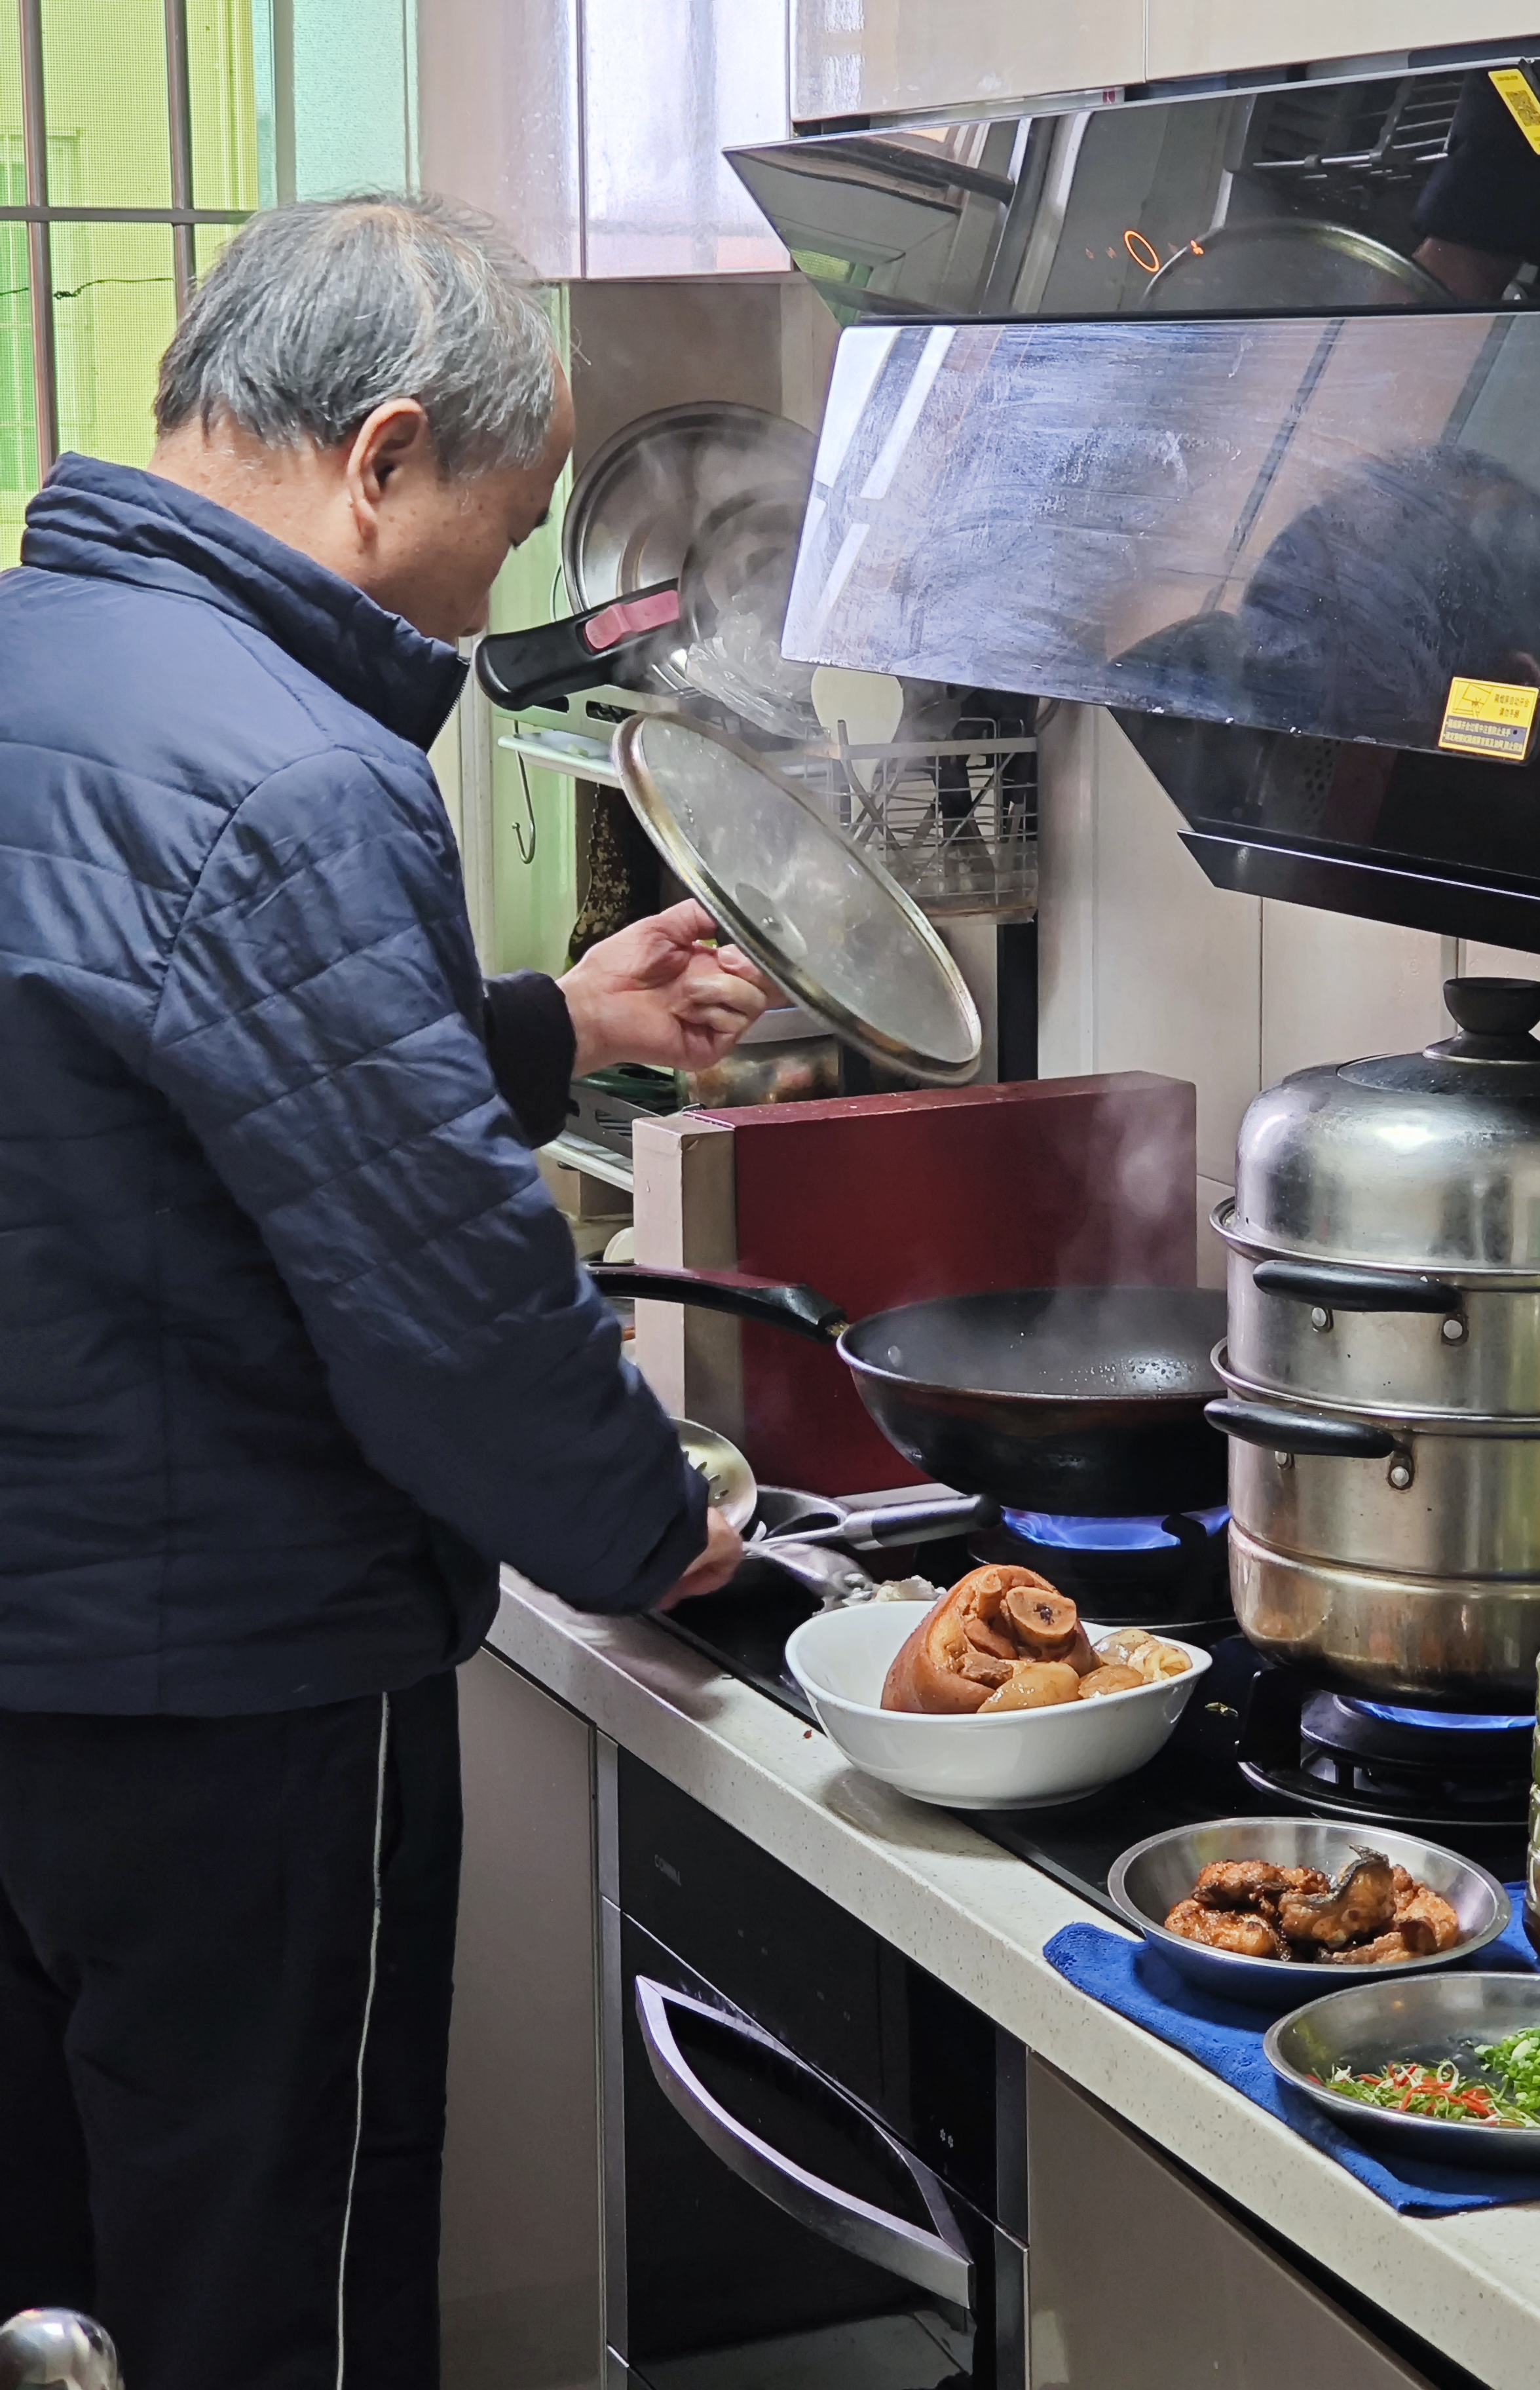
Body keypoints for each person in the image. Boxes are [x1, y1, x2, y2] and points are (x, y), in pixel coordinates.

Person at [0, 195, 773, 2390]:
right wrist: (652, 1526)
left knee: (54, 2292)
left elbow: (139, 1072)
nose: (498, 593)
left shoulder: (33, 662)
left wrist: (549, 1026)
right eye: (511, 533)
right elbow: (444, 1302)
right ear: (386, 454)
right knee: (274, 2295)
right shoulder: (299, 768)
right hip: (220, 1692)